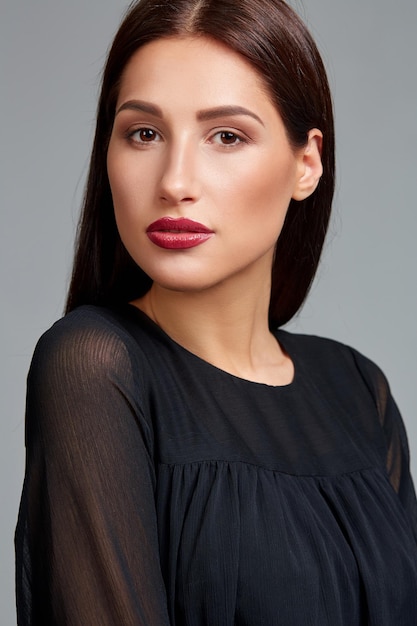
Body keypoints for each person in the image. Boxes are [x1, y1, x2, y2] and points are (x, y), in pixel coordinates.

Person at [15, 0, 417, 624]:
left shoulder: (360, 390)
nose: (175, 180)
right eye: (143, 133)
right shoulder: (94, 367)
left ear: (306, 163)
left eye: (226, 136)